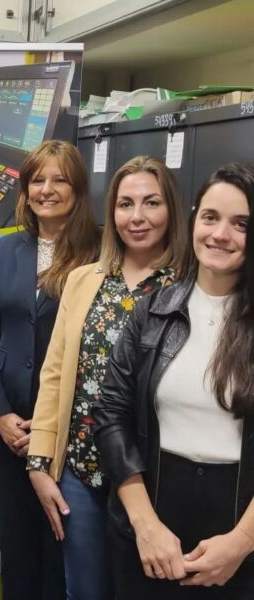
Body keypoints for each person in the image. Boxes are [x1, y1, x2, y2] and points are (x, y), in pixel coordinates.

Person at [27, 156, 186, 600]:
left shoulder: (188, 285)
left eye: (151, 203)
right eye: (125, 204)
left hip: (153, 478)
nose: (136, 217)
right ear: (111, 213)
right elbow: (55, 374)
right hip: (81, 470)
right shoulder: (83, 280)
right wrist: (40, 463)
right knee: (84, 590)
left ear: (171, 210)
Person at [94, 163, 254, 600]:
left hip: (239, 531)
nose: (221, 234)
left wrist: (241, 544)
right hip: (150, 521)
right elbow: (110, 416)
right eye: (211, 217)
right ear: (194, 220)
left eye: (241, 224)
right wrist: (145, 526)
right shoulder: (152, 310)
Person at [0, 140, 100, 599]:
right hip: (10, 427)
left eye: (59, 179)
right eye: (37, 180)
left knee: (63, 548)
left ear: (78, 188)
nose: (47, 190)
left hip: (69, 428)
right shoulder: (7, 251)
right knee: (17, 547)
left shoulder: (101, 251)